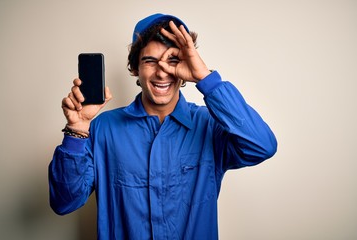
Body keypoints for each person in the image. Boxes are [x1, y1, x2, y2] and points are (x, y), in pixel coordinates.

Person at [49, 13, 277, 239]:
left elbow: (262, 146)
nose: (161, 72)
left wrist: (205, 78)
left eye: (173, 60)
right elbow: (64, 202)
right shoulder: (102, 129)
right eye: (150, 61)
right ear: (135, 67)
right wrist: (76, 131)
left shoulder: (210, 125)